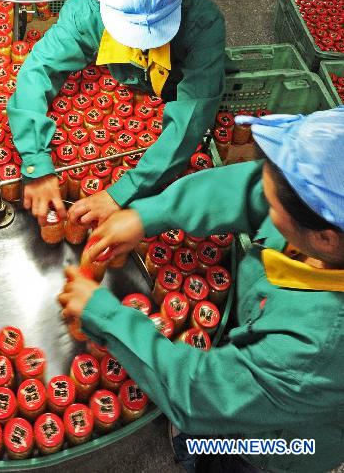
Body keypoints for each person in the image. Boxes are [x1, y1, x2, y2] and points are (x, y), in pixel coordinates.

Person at [59, 106, 344, 473]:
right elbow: (246, 190)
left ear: (324, 238)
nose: (263, 196)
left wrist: (105, 316)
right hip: (263, 356)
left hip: (283, 442)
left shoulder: (317, 346)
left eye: (273, 205)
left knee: (237, 455)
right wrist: (147, 215)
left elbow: (202, 394)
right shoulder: (323, 215)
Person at [7, 0, 225, 225]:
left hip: (166, 100)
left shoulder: (203, 24)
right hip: (117, 89)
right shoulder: (88, 10)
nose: (141, 43)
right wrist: (35, 160)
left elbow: (191, 118)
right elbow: (39, 69)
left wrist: (122, 191)